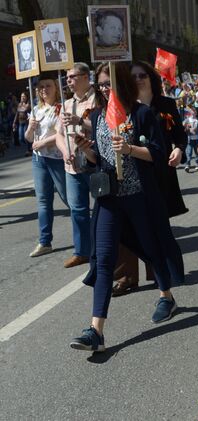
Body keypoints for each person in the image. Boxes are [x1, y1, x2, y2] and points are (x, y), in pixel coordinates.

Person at [69, 62, 180, 352]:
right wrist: (86, 149)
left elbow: (158, 154)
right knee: (104, 258)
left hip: (140, 196)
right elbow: (98, 159)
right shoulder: (97, 115)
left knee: (151, 248)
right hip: (109, 199)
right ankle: (96, 330)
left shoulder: (142, 113)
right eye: (102, 85)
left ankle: (166, 296)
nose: (106, 90)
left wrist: (129, 149)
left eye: (110, 84)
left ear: (123, 85)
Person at [109, 60, 188, 296]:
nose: (138, 79)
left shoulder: (166, 104)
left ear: (151, 77)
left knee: (156, 223)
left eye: (142, 75)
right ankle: (126, 276)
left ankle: (160, 273)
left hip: (160, 170)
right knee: (128, 224)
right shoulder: (122, 107)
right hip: (132, 171)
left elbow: (179, 134)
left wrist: (179, 149)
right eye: (133, 77)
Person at [54, 63, 95, 269]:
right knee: (77, 210)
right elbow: (59, 134)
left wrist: (80, 120)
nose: (68, 81)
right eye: (67, 77)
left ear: (86, 77)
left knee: (103, 208)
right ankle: (82, 251)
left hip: (95, 162)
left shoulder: (98, 98)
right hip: (73, 166)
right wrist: (65, 152)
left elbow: (104, 124)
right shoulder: (66, 103)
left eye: (72, 76)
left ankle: (105, 247)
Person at [25, 72, 68, 257]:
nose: (44, 90)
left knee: (69, 199)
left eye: (48, 85)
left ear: (56, 87)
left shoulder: (62, 108)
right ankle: (45, 241)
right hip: (39, 160)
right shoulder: (36, 110)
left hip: (57, 159)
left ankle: (90, 233)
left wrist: (42, 143)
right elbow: (28, 139)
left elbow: (62, 133)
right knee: (43, 201)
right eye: (41, 86)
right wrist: (30, 127)